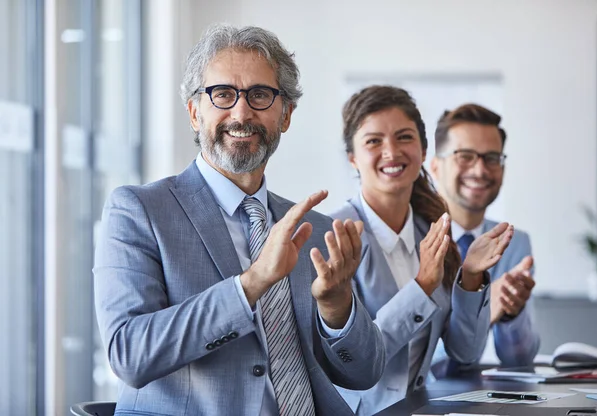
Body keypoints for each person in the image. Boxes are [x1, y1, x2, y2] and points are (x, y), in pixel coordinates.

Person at [93, 25, 385, 416]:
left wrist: (337, 307)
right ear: (196, 112)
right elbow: (129, 354)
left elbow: (365, 373)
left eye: (260, 95)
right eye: (223, 94)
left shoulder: (313, 230)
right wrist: (252, 283)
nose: (242, 112)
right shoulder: (139, 211)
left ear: (285, 115)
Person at [330, 85, 514, 415]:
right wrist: (422, 287)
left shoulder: (433, 233)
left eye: (404, 137)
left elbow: (466, 354)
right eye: (374, 141)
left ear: (423, 148)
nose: (391, 151)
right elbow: (355, 362)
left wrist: (470, 278)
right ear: (353, 158)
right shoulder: (333, 234)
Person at [429, 103, 539, 373]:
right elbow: (409, 358)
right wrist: (483, 314)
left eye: (492, 158)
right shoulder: (418, 239)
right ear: (435, 167)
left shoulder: (513, 242)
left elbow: (519, 359)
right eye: (465, 156)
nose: (480, 170)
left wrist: (511, 313)